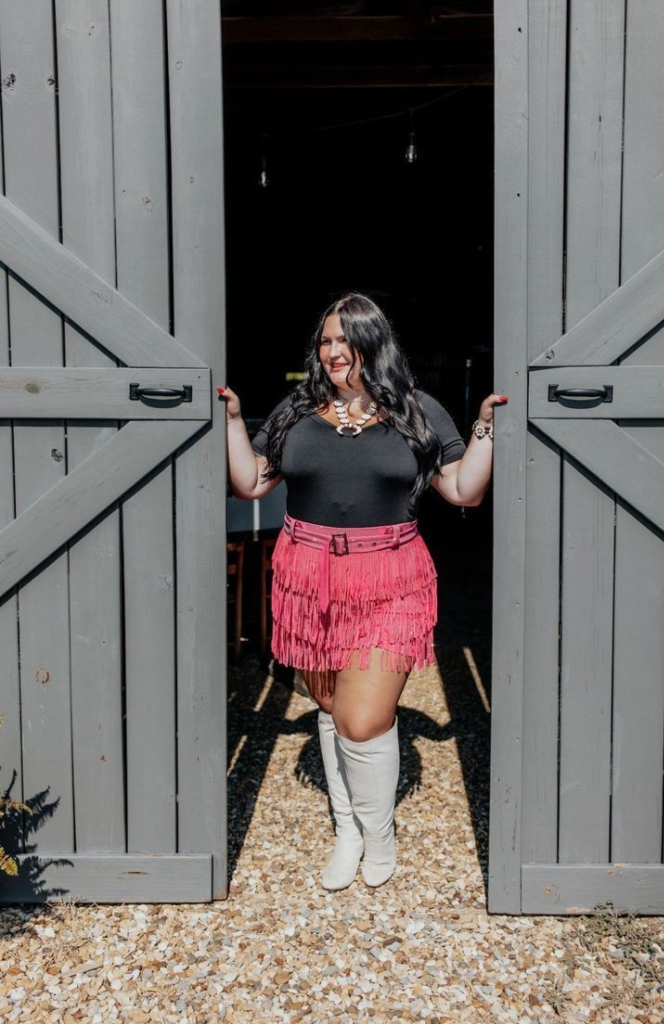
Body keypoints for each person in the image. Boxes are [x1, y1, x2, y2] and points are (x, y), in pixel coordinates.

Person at [219, 292, 506, 891]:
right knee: (330, 709)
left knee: (364, 718)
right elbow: (249, 482)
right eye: (324, 340)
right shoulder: (297, 409)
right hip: (308, 575)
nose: (332, 351)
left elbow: (463, 491)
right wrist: (233, 422)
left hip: (391, 576)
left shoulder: (416, 409)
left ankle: (379, 837)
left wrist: (485, 428)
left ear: (374, 343)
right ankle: (347, 831)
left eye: (344, 340)